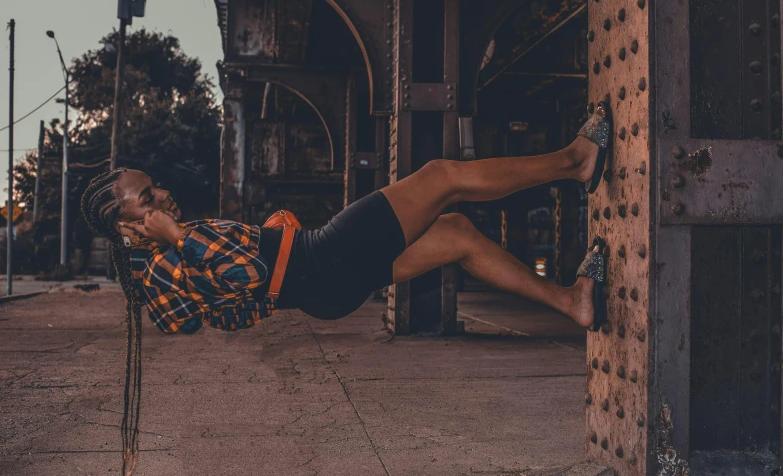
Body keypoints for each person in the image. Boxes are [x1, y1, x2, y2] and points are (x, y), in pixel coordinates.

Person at [80, 102, 611, 475]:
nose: (164, 195)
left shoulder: (167, 266)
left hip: (320, 282)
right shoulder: (168, 260)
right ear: (128, 228)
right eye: (148, 197)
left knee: (456, 235)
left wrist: (270, 249)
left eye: (155, 187)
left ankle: (572, 302)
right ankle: (575, 160)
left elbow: (230, 312)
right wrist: (183, 240)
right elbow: (249, 277)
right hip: (325, 256)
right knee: (442, 174)